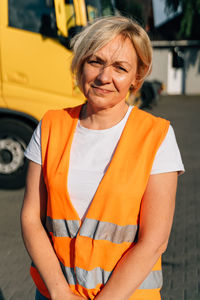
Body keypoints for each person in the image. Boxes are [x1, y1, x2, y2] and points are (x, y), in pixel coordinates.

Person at [21, 16, 184, 300]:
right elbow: (31, 218)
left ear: (136, 77)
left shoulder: (157, 135)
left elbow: (154, 241)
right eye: (95, 61)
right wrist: (60, 293)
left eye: (120, 68)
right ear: (81, 64)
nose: (104, 77)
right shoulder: (50, 125)